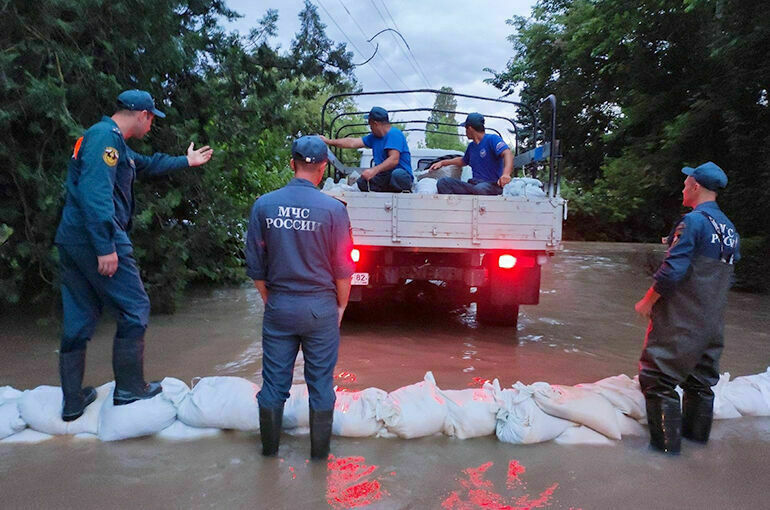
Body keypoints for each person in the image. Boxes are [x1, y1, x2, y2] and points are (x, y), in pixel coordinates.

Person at [54, 89, 213, 421]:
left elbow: (145, 165)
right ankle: (129, 389)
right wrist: (105, 247)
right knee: (135, 307)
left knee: (79, 317)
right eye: (152, 117)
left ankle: (72, 401)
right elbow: (95, 195)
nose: (152, 124)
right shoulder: (104, 140)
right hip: (96, 238)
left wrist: (186, 160)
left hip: (74, 240)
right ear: (142, 115)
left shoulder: (111, 142)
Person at [245, 135, 354, 459]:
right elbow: (343, 269)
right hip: (320, 307)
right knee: (321, 385)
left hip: (280, 304)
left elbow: (255, 267)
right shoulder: (334, 209)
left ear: (292, 163)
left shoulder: (264, 204)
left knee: (274, 385)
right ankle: (320, 460)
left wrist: (271, 301)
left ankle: (269, 456)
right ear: (322, 168)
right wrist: (340, 306)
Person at [634, 161, 740, 454]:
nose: (682, 187)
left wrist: (647, 301)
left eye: (685, 183)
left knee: (658, 380)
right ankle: (697, 452)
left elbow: (672, 272)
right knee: (700, 384)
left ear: (695, 186)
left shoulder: (693, 221)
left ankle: (665, 456)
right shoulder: (730, 229)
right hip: (712, 323)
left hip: (681, 320)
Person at [321, 106, 413, 192]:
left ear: (375, 123)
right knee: (363, 182)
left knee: (397, 175)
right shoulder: (374, 137)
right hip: (384, 176)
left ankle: (404, 193)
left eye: (370, 124)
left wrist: (374, 170)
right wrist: (328, 141)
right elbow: (352, 142)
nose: (370, 128)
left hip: (401, 176)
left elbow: (393, 160)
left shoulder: (394, 134)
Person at [429, 113, 513, 195]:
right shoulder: (471, 146)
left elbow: (507, 153)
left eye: (465, 129)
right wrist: (442, 163)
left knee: (479, 189)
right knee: (443, 182)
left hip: (492, 186)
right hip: (474, 185)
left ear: (469, 128)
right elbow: (462, 161)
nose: (465, 132)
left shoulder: (492, 139)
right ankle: (455, 207)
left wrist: (506, 174)